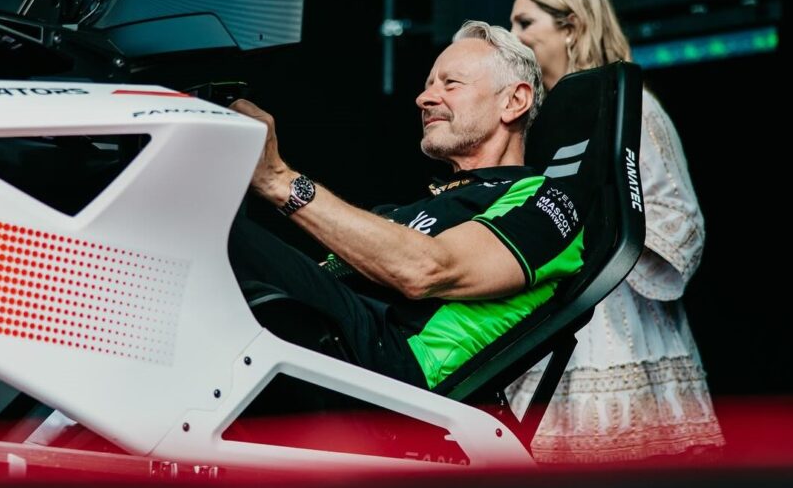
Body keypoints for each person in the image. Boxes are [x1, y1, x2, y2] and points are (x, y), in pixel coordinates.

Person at [227, 20, 586, 391]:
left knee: (222, 238)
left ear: (513, 101)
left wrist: (278, 180)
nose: (424, 98)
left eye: (450, 83)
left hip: (394, 364)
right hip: (326, 333)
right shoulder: (408, 209)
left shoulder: (545, 199)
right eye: (429, 84)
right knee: (209, 236)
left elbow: (427, 269)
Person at [507, 0, 724, 462]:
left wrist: (598, 223)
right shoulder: (531, 122)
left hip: (619, 323)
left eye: (525, 22)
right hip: (545, 320)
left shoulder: (633, 109)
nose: (513, 36)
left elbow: (681, 221)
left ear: (572, 26)